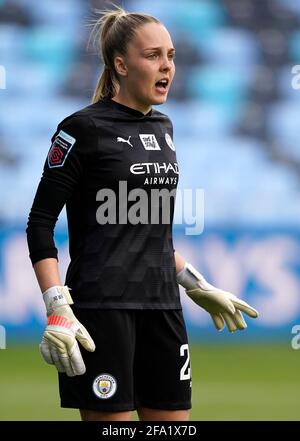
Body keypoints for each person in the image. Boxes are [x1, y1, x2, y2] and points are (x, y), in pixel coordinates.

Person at [26, 7, 258, 422]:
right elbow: (40, 223)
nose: (166, 65)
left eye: (170, 55)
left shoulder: (164, 128)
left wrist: (195, 283)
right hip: (102, 310)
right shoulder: (82, 128)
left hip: (163, 309)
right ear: (120, 64)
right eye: (153, 55)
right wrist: (57, 304)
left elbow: (147, 231)